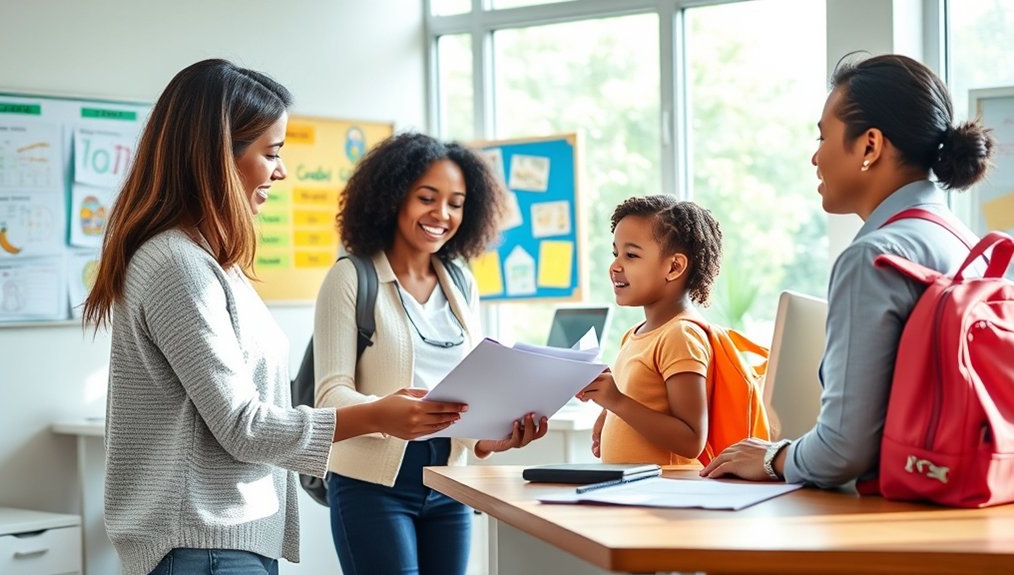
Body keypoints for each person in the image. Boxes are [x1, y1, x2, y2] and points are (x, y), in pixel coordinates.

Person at [82, 59, 469, 575]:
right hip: (202, 542)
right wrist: (378, 415)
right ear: (217, 157)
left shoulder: (213, 264)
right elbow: (243, 425)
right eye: (271, 153)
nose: (281, 171)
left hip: (226, 539)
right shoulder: (177, 265)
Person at [700, 53, 995, 487]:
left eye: (823, 136)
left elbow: (841, 451)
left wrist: (773, 457)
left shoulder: (874, 257)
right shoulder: (971, 245)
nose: (814, 157)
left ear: (870, 146)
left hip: (893, 512)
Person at [313, 132, 549, 575]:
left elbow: (469, 394)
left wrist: (491, 438)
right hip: (372, 486)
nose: (442, 214)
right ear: (392, 197)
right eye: (427, 198)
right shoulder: (351, 277)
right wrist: (385, 413)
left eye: (456, 203)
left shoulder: (460, 282)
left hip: (450, 481)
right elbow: (329, 397)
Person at [577, 195, 724, 466]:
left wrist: (617, 402)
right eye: (615, 254)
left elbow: (692, 440)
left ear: (674, 267)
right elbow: (643, 404)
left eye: (631, 255)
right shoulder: (634, 334)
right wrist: (609, 411)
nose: (615, 266)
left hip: (667, 489)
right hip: (636, 487)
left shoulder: (681, 335)